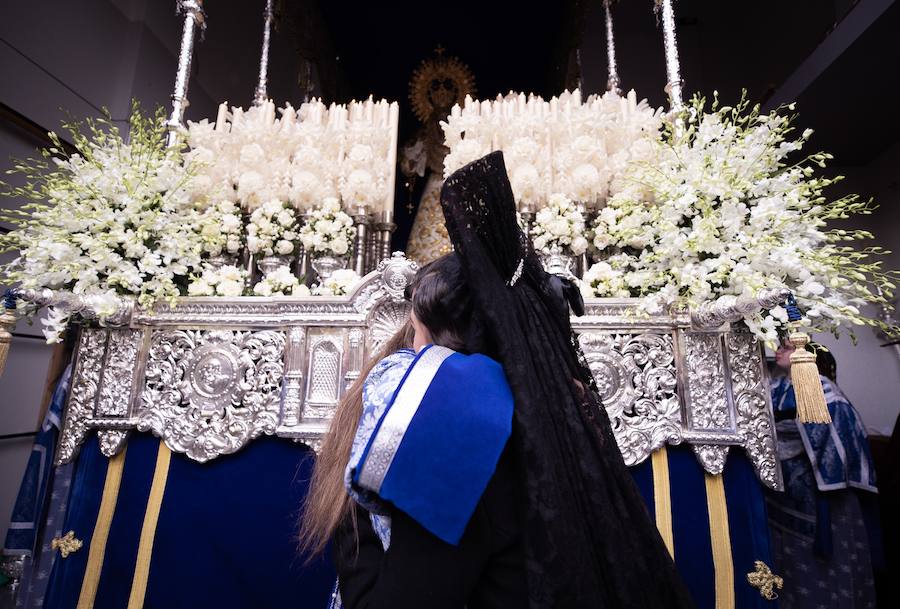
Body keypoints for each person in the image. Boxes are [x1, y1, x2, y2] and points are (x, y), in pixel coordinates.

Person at [300, 151, 695, 609]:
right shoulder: (550, 410)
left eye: (415, 338)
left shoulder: (458, 435)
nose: (407, 354)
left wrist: (356, 521)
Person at [766, 340, 881, 609]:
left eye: (788, 346)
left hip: (822, 500)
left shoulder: (822, 388)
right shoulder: (775, 387)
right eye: (780, 345)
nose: (778, 350)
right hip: (782, 497)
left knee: (823, 575)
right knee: (786, 569)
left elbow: (835, 435)